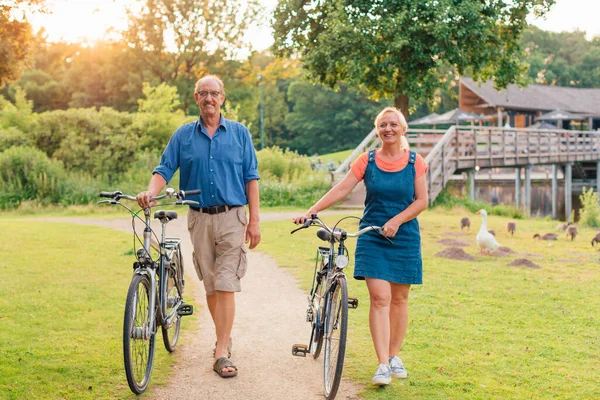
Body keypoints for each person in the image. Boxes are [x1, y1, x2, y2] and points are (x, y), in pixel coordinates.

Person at [137, 74, 261, 379]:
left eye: (214, 93)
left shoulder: (240, 133)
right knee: (210, 284)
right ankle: (224, 337)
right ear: (196, 98)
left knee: (225, 282)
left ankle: (221, 351)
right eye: (203, 93)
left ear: (222, 98)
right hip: (199, 218)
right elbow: (164, 169)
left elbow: (251, 177)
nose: (209, 98)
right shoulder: (183, 135)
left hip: (233, 216)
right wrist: (150, 192)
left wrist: (255, 220)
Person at [293, 106, 428, 386]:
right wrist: (312, 210)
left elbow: (421, 200)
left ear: (403, 129)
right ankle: (381, 364)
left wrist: (397, 221)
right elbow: (342, 189)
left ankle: (394, 356)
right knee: (380, 298)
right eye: (382, 125)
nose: (387, 129)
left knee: (400, 299)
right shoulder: (367, 160)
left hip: (404, 237)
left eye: (393, 124)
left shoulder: (416, 161)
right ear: (378, 130)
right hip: (372, 235)